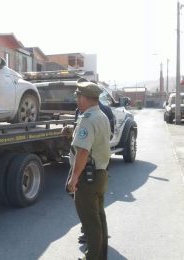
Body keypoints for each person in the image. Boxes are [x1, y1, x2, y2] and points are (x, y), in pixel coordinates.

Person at [67, 80, 111, 260]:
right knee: (99, 218)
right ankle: (100, 255)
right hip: (100, 174)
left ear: (85, 98)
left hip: (88, 177)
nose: (77, 99)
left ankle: (92, 258)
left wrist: (74, 177)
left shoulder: (88, 119)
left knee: (90, 222)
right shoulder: (101, 115)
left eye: (78, 96)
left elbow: (84, 151)